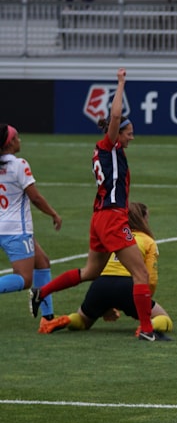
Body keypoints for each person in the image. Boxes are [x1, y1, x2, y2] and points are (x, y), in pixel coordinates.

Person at [29, 68, 158, 341]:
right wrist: (121, 83)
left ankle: (42, 292)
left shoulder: (106, 151)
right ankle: (147, 329)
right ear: (117, 134)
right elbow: (114, 115)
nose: (131, 138)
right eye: (129, 133)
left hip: (99, 217)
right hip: (111, 218)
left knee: (91, 271)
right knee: (140, 273)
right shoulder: (108, 146)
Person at [39, 202, 175, 339]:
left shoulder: (112, 237)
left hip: (100, 285)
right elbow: (150, 279)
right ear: (142, 219)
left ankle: (67, 320)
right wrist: (143, 302)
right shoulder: (147, 241)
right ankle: (147, 326)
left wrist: (108, 303)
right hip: (129, 286)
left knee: (83, 320)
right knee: (164, 319)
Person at [0, 124, 62, 319]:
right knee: (25, 279)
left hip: (4, 226)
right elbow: (35, 197)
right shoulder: (19, 164)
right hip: (17, 230)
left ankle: (48, 317)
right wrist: (53, 214)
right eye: (17, 137)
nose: (20, 140)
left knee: (42, 262)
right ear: (9, 143)